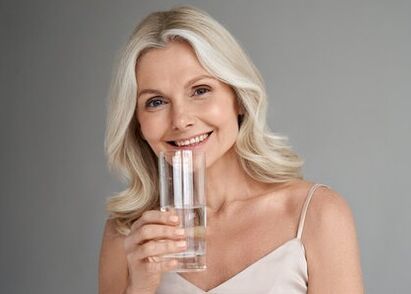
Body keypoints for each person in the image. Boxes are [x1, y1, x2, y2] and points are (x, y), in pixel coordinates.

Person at [99, 5, 364, 294]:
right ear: (137, 121)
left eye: (200, 90)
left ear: (237, 98)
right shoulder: (127, 236)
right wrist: (140, 287)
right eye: (156, 102)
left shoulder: (317, 214)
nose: (181, 120)